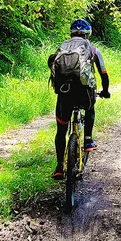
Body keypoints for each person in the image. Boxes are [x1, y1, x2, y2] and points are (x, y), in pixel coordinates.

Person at [48, 18, 110, 181]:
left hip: (65, 93)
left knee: (61, 130)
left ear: (71, 33)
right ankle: (88, 140)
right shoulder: (93, 49)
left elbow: (51, 63)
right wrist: (105, 91)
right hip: (84, 94)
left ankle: (59, 167)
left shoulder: (62, 47)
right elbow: (103, 73)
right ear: (87, 34)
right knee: (90, 108)